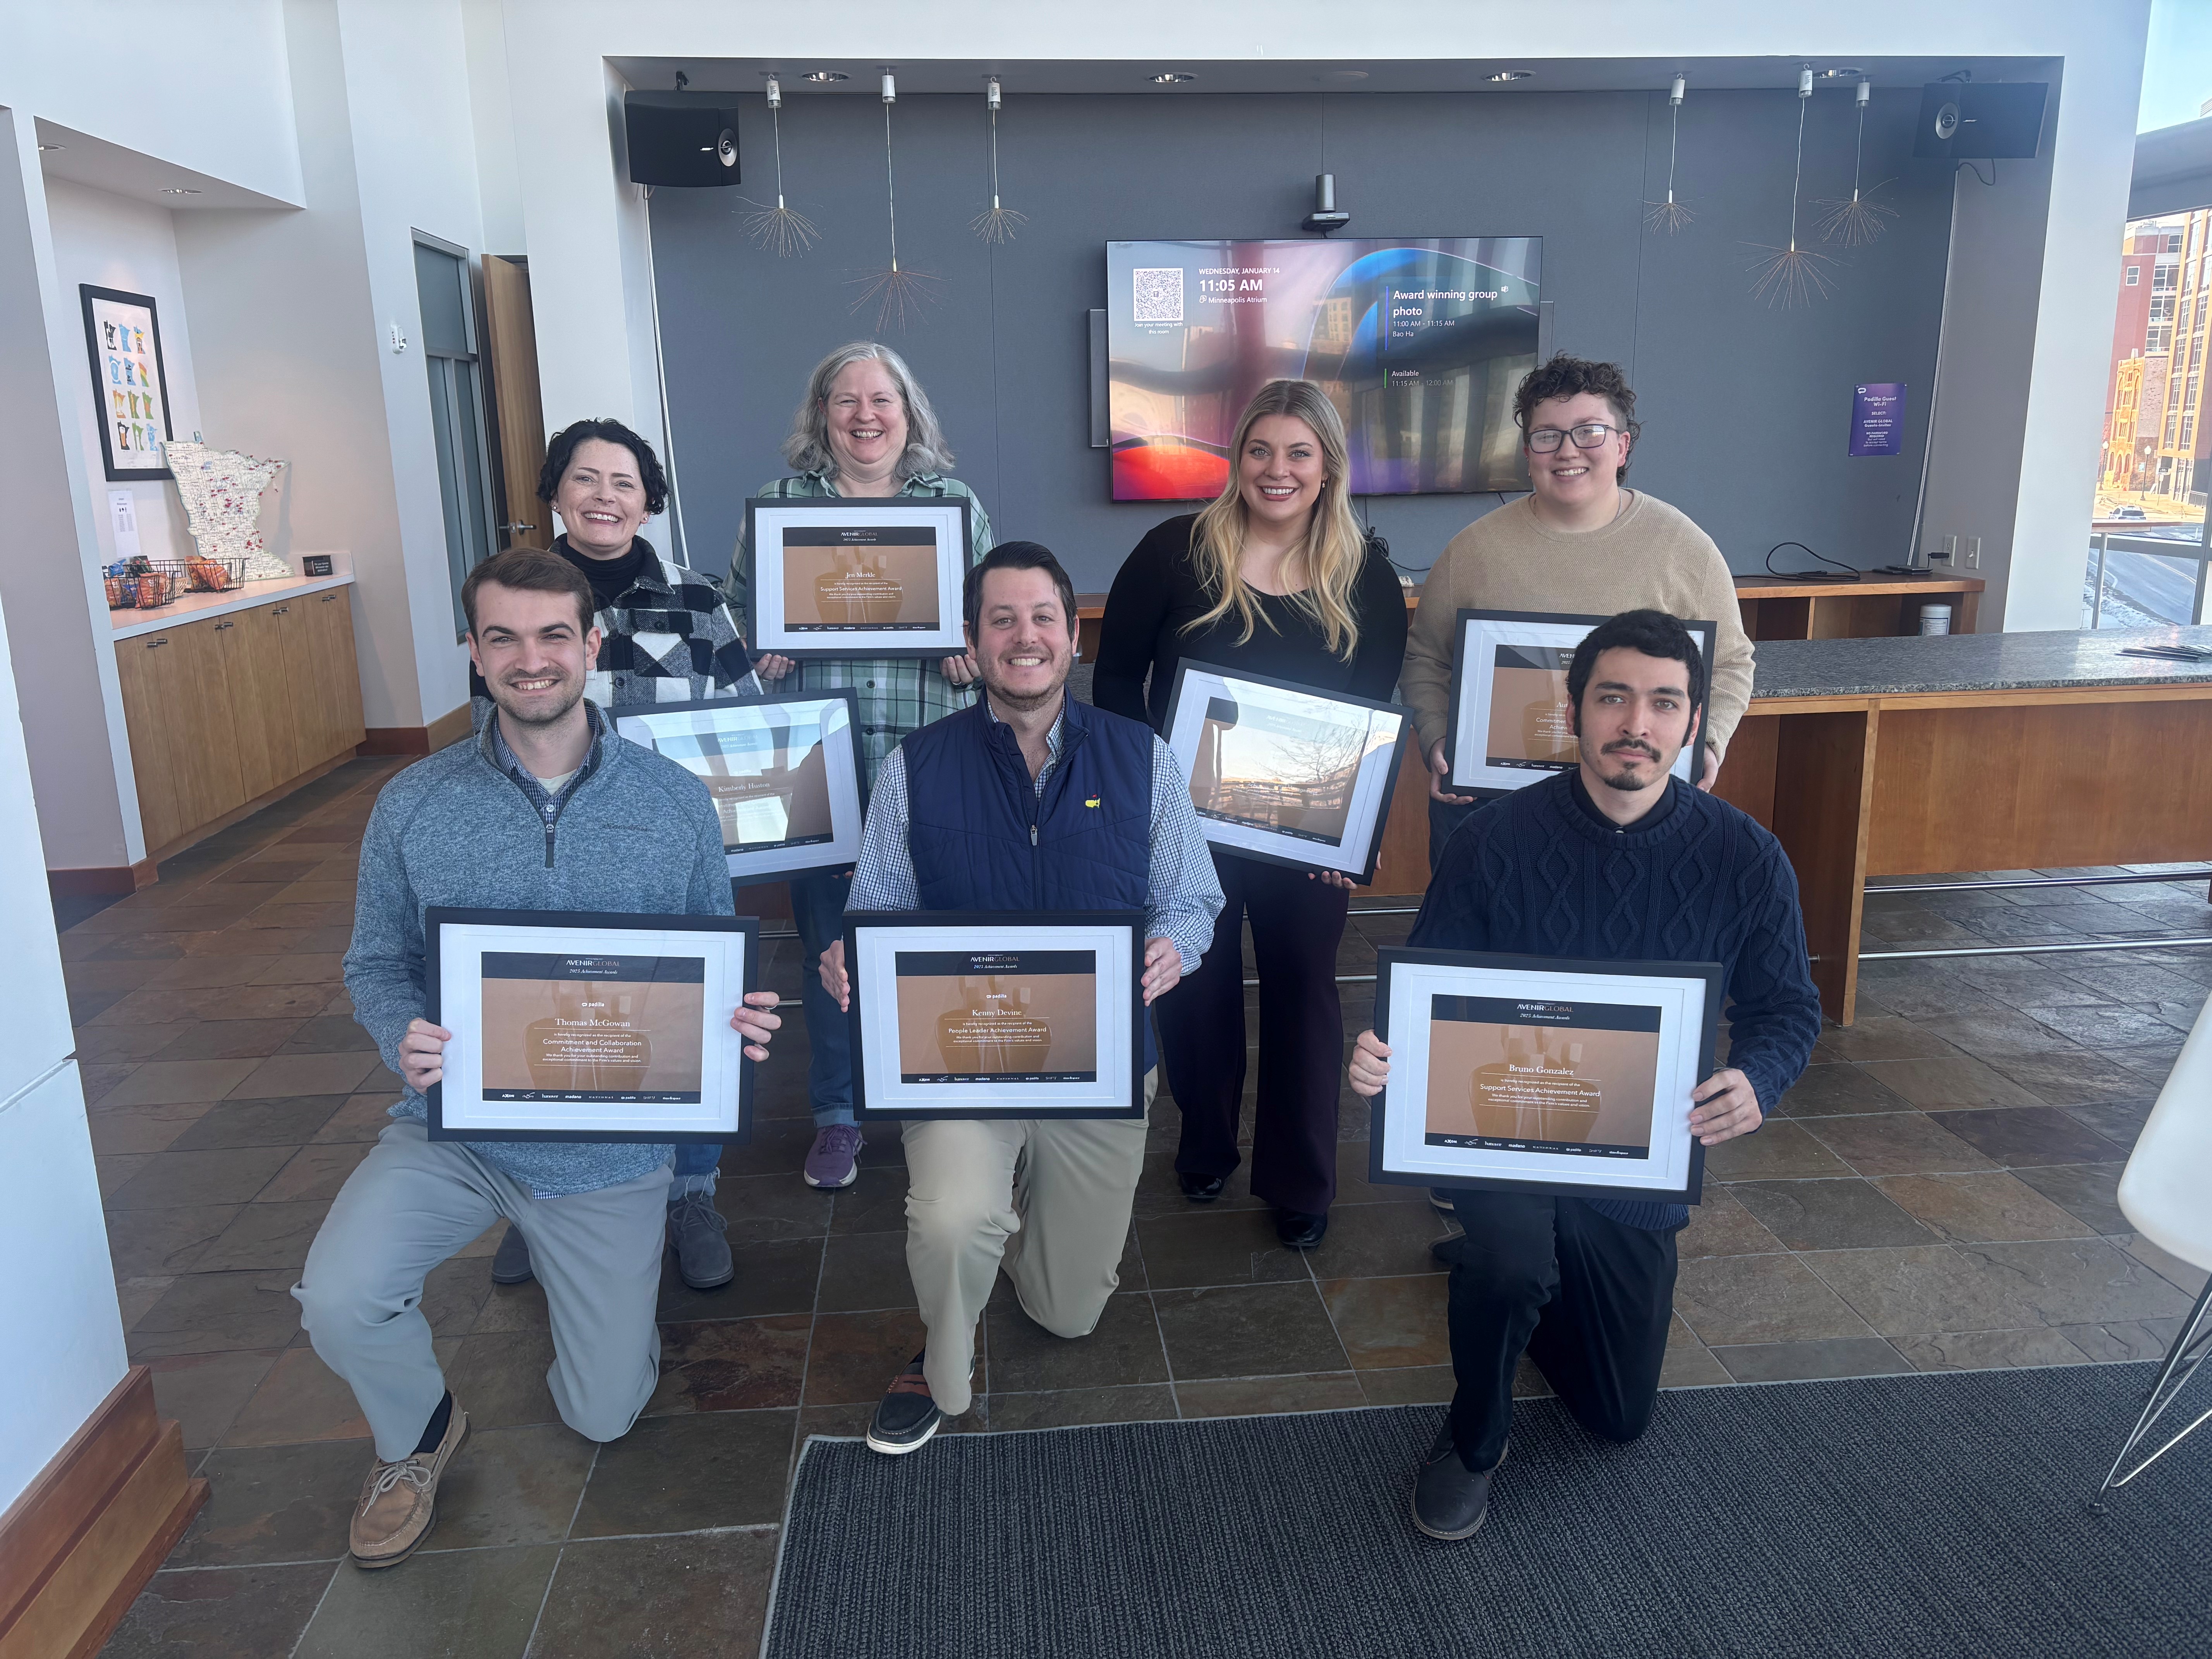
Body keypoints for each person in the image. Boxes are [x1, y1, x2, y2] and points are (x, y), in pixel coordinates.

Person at [298, 548, 782, 1570]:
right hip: (460, 1132)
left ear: (591, 645)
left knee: (605, 1413)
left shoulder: (673, 801)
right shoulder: (414, 803)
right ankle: (416, 1434)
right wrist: (401, 1034)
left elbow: (710, 964)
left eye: (554, 634)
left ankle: (614, 1296)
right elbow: (377, 960)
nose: (531, 658)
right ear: (472, 652)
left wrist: (728, 1034)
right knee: (337, 1296)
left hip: (610, 1153)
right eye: (503, 637)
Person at [1346, 609, 1819, 1543]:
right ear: (1572, 713)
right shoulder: (1494, 839)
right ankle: (1475, 1438)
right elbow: (1427, 993)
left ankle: (1516, 1286)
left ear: (1690, 725)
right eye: (1613, 698)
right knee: (1513, 1257)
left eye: (1661, 703)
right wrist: (1381, 1055)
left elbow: (1787, 1010)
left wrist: (1759, 1080)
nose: (1634, 724)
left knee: (1618, 1417)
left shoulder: (1743, 856)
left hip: (1634, 1165)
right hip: (1504, 1133)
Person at [817, 542, 1223, 1455]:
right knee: (956, 1220)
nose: (1024, 636)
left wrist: (1177, 946)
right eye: (1001, 620)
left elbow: (1191, 895)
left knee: (1069, 1312)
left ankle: (1019, 1223)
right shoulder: (916, 766)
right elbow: (876, 908)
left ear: (1070, 638)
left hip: (1099, 1069)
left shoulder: (1141, 758)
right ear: (973, 642)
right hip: (963, 1067)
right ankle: (941, 1357)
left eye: (1042, 617)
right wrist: (848, 958)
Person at [1093, 379, 1407, 1250]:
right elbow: (1117, 679)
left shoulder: (1365, 574)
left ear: (1328, 467)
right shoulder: (1172, 553)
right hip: (1183, 824)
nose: (1278, 469)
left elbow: (1372, 719)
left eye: (1299, 453)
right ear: (1238, 461)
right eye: (1261, 450)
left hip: (1306, 837)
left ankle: (1302, 1180)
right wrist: (1143, 789)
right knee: (1193, 983)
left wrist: (1349, 834)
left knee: (1307, 990)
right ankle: (1204, 1145)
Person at [480, 418, 763, 1296]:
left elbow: (745, 722)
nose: (606, 496)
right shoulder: (516, 599)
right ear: (556, 492)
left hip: (671, 856)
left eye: (625, 482)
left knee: (685, 1020)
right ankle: (547, 1194)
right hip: (549, 848)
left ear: (649, 499)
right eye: (586, 479)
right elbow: (488, 726)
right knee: (559, 1021)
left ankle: (691, 1194)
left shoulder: (699, 599)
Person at [726, 342, 996, 1196]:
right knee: (828, 953)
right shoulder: (779, 507)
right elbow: (733, 618)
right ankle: (838, 1116)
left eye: (882, 400)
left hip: (932, 764)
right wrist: (758, 646)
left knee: (940, 944)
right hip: (820, 772)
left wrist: (973, 653)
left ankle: (946, 1101)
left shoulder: (953, 504)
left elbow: (999, 622)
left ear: (908, 414)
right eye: (847, 401)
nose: (865, 416)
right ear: (822, 414)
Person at [1399, 354, 1755, 863]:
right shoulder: (1472, 551)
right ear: (1528, 451)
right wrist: (1435, 733)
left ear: (1623, 445)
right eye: (1548, 435)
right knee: (1479, 941)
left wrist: (1710, 742)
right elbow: (1427, 658)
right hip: (1493, 808)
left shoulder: (1687, 551)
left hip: (1632, 806)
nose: (1568, 451)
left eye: (1589, 432)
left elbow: (1731, 665)